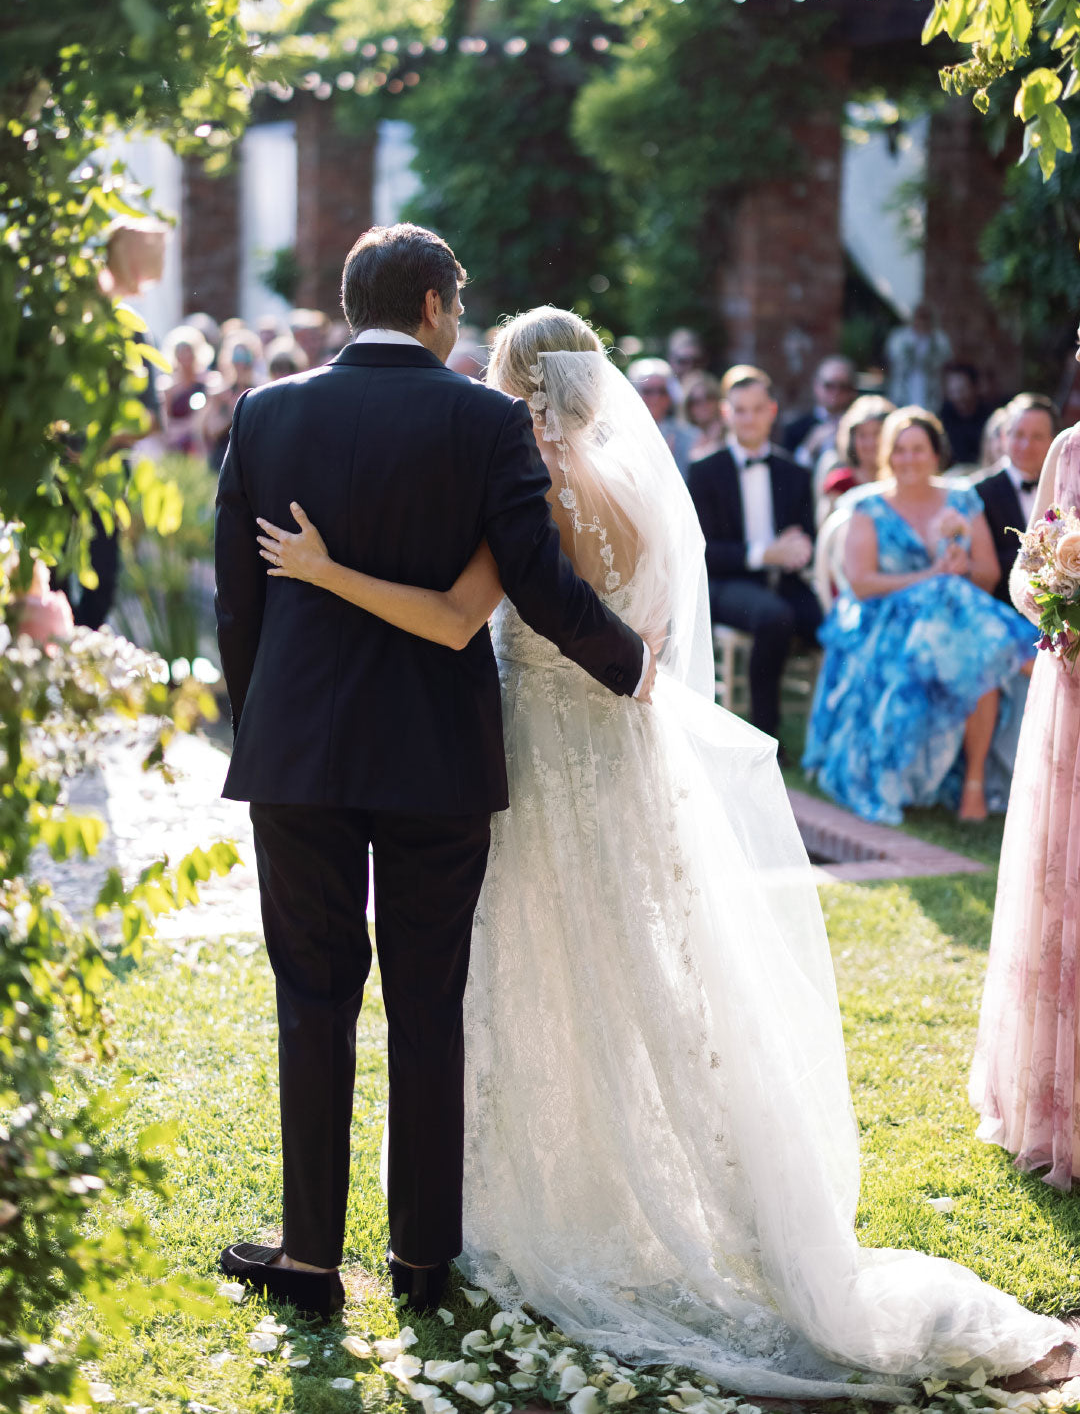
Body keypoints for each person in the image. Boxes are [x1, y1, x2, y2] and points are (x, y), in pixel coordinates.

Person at [255, 314, 1067, 1395]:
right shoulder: (636, 485)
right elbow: (648, 638)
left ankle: (544, 1205)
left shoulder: (523, 484)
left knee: (538, 973)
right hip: (623, 757)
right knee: (633, 977)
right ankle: (632, 1188)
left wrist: (321, 568)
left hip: (542, 757)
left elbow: (459, 619)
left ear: (515, 389)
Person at [213, 225, 650, 1322]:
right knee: (426, 1005)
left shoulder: (267, 413)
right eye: (456, 298)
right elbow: (541, 582)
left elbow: (238, 601)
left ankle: (310, 1260)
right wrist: (632, 663)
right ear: (433, 303)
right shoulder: (486, 420)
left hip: (298, 756)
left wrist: (262, 725)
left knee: (311, 1002)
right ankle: (420, 1261)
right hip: (435, 760)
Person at [802, 407, 1035, 825]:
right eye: (900, 450)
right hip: (884, 620)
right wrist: (930, 576)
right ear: (889, 456)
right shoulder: (867, 505)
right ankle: (1029, 656)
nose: (908, 459)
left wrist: (960, 566)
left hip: (951, 622)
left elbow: (988, 575)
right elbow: (862, 584)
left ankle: (974, 783)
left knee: (971, 642)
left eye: (918, 449)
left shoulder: (962, 500)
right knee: (973, 637)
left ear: (935, 454)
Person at [970, 351, 1080, 1190]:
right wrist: (1053, 599)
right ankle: (1053, 1103)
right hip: (1069, 686)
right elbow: (1024, 566)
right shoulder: (1067, 451)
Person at [688, 366, 821, 744]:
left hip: (785, 580)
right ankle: (766, 735)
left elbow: (806, 533)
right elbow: (704, 550)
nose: (749, 418)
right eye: (740, 409)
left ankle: (830, 737)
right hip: (729, 582)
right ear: (726, 414)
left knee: (832, 626)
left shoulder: (795, 471)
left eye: (757, 408)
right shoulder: (704, 471)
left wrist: (802, 546)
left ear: (772, 411)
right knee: (775, 617)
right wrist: (766, 554)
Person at [975, 394, 1060, 608]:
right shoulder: (978, 492)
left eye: (1037, 437)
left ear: (1053, 441)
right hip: (1003, 611)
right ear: (1004, 437)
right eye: (1019, 434)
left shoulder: (1066, 487)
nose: (1026, 445)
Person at [815, 394, 895, 526]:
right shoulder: (840, 484)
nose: (870, 443)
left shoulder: (900, 481)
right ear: (851, 439)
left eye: (877, 434)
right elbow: (827, 532)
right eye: (862, 435)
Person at [627, 357, 701, 479]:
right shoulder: (621, 435)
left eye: (661, 391)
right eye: (648, 391)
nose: (655, 398)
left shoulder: (690, 436)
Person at [782, 356, 858, 470]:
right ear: (816, 386)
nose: (836, 392)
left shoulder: (859, 427)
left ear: (852, 391)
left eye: (843, 387)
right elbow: (787, 473)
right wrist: (809, 447)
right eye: (829, 385)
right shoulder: (795, 428)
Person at [201, 330, 262, 471]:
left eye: (245, 357)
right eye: (236, 358)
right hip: (224, 461)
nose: (241, 363)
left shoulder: (262, 389)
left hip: (254, 460)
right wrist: (232, 411)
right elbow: (212, 430)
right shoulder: (221, 392)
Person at [884, 302, 952, 411]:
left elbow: (946, 367)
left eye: (926, 317)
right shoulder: (899, 338)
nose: (922, 321)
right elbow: (890, 363)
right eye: (920, 317)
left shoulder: (940, 340)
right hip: (903, 392)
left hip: (931, 395)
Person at [160, 324, 214, 454]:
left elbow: (204, 417)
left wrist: (185, 428)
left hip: (199, 444)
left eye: (188, 351)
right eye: (180, 352)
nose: (184, 356)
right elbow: (164, 419)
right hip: (175, 444)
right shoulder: (168, 386)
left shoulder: (207, 382)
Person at [940, 361, 992, 467]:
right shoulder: (944, 417)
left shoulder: (989, 417)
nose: (958, 397)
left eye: (962, 390)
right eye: (953, 392)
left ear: (975, 387)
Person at [682, 370, 726, 461]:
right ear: (688, 406)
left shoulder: (730, 429)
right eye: (696, 401)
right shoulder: (682, 436)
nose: (704, 406)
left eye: (709, 398)